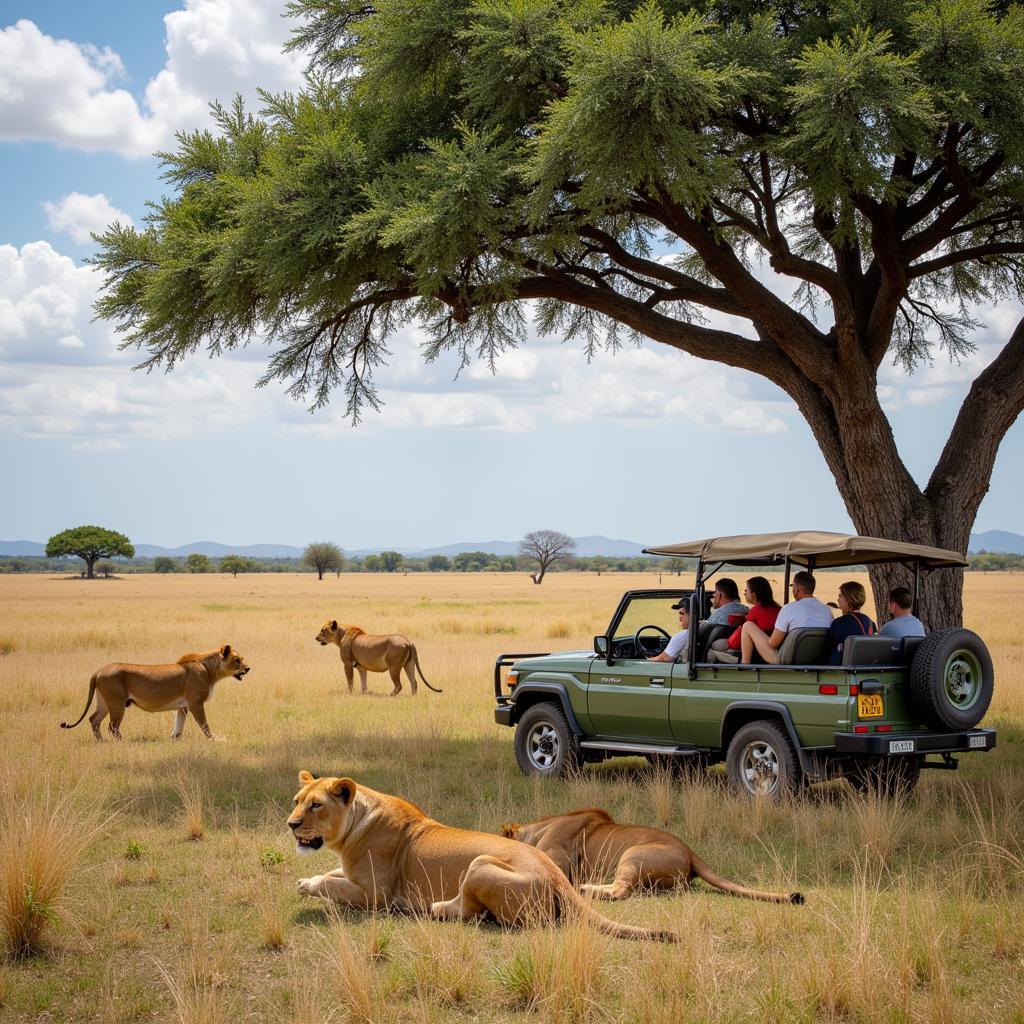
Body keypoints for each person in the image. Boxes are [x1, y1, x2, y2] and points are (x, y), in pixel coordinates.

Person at [740, 570, 832, 664]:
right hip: (817, 660)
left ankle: (744, 665)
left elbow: (773, 643)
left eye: (793, 586)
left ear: (797, 588)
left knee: (748, 625)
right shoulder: (827, 610)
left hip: (788, 661)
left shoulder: (789, 608)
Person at [707, 577, 780, 664]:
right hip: (772, 649)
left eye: (746, 591)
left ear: (753, 594)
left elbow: (738, 639)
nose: (744, 594)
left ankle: (744, 663)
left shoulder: (755, 610)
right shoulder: (778, 609)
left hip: (759, 654)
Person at [826, 581, 877, 665]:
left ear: (849, 599)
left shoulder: (838, 623)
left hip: (841, 673)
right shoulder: (870, 623)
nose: (838, 599)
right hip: (864, 669)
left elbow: (828, 651)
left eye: (840, 596)